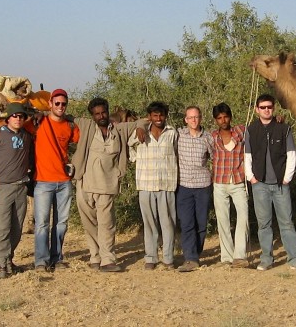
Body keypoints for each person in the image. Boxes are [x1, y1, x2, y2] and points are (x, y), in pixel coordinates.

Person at [70, 97, 143, 273]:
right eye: (97, 114)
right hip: (85, 183)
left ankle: (108, 259)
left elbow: (144, 120)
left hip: (107, 185)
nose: (101, 116)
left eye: (103, 112)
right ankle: (95, 256)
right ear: (92, 116)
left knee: (107, 224)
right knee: (89, 223)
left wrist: (140, 126)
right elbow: (65, 117)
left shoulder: (119, 130)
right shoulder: (87, 127)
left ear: (108, 112)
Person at [245, 93, 296, 272]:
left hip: (280, 185)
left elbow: (291, 155)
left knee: (286, 222)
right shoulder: (251, 129)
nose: (266, 110)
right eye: (262, 107)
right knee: (263, 224)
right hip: (260, 184)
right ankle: (266, 259)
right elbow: (247, 156)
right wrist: (252, 178)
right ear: (257, 110)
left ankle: (294, 259)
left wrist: (287, 178)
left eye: (269, 107)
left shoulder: (283, 128)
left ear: (274, 108)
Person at [0, 103, 34, 279]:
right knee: (1, 227)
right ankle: (1, 265)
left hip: (21, 187)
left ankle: (9, 260)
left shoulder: (27, 136)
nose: (18, 119)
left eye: (21, 116)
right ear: (8, 118)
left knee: (16, 229)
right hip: (2, 188)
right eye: (15, 116)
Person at [30, 88, 80, 272]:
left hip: (64, 182)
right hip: (43, 181)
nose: (60, 106)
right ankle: (41, 261)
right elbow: (15, 123)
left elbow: (81, 141)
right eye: (57, 103)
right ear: (50, 104)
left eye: (63, 104)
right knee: (42, 223)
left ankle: (57, 258)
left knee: (61, 223)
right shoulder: (39, 122)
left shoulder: (70, 127)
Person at [129, 101, 179, 270]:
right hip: (145, 184)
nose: (158, 119)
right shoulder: (140, 133)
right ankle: (151, 257)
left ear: (166, 115)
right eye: (155, 115)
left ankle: (168, 258)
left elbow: (178, 154)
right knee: (149, 223)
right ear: (149, 116)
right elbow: (130, 151)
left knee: (168, 223)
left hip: (167, 184)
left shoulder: (172, 133)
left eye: (161, 115)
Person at [210, 102, 250, 268]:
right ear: (215, 120)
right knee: (223, 220)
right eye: (219, 118)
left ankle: (239, 256)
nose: (223, 120)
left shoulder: (241, 130)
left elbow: (257, 126)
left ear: (230, 117)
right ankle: (226, 257)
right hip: (219, 182)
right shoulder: (212, 137)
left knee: (243, 217)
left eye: (225, 116)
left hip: (238, 181)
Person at [175, 106, 214, 272]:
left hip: (203, 185)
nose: (193, 120)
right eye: (190, 117)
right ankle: (190, 257)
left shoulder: (208, 137)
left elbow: (215, 157)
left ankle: (195, 254)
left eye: (196, 117)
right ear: (185, 119)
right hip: (183, 185)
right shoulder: (178, 135)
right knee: (186, 222)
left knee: (201, 223)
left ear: (201, 118)